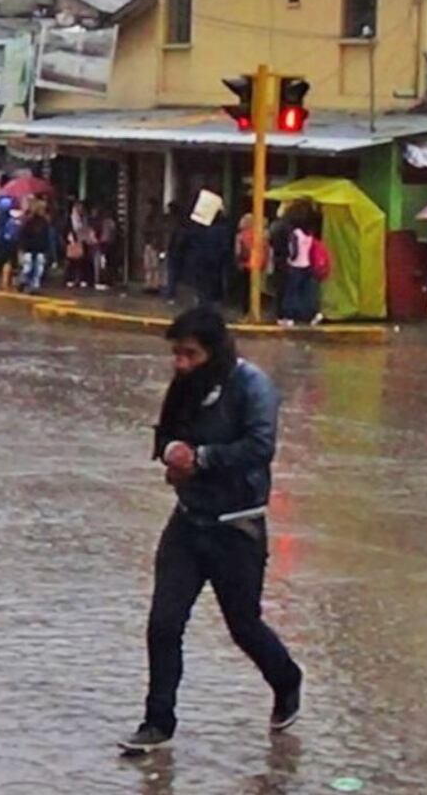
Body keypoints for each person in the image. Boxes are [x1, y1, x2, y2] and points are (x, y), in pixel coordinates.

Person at [121, 306, 304, 755]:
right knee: (164, 623)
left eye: (190, 354)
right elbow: (167, 437)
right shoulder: (184, 387)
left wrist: (201, 459)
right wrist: (172, 456)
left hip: (236, 527)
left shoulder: (253, 387)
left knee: (243, 625)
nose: (181, 364)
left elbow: (259, 448)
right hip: (188, 523)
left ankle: (286, 679)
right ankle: (157, 721)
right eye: (176, 355)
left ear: (215, 350)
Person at [18, 200, 52, 292]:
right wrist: (22, 248)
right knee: (28, 267)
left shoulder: (44, 222)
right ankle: (23, 281)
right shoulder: (29, 221)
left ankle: (34, 286)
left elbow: (46, 236)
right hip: (29, 248)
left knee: (39, 268)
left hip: (40, 248)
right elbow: (23, 235)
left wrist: (47, 249)